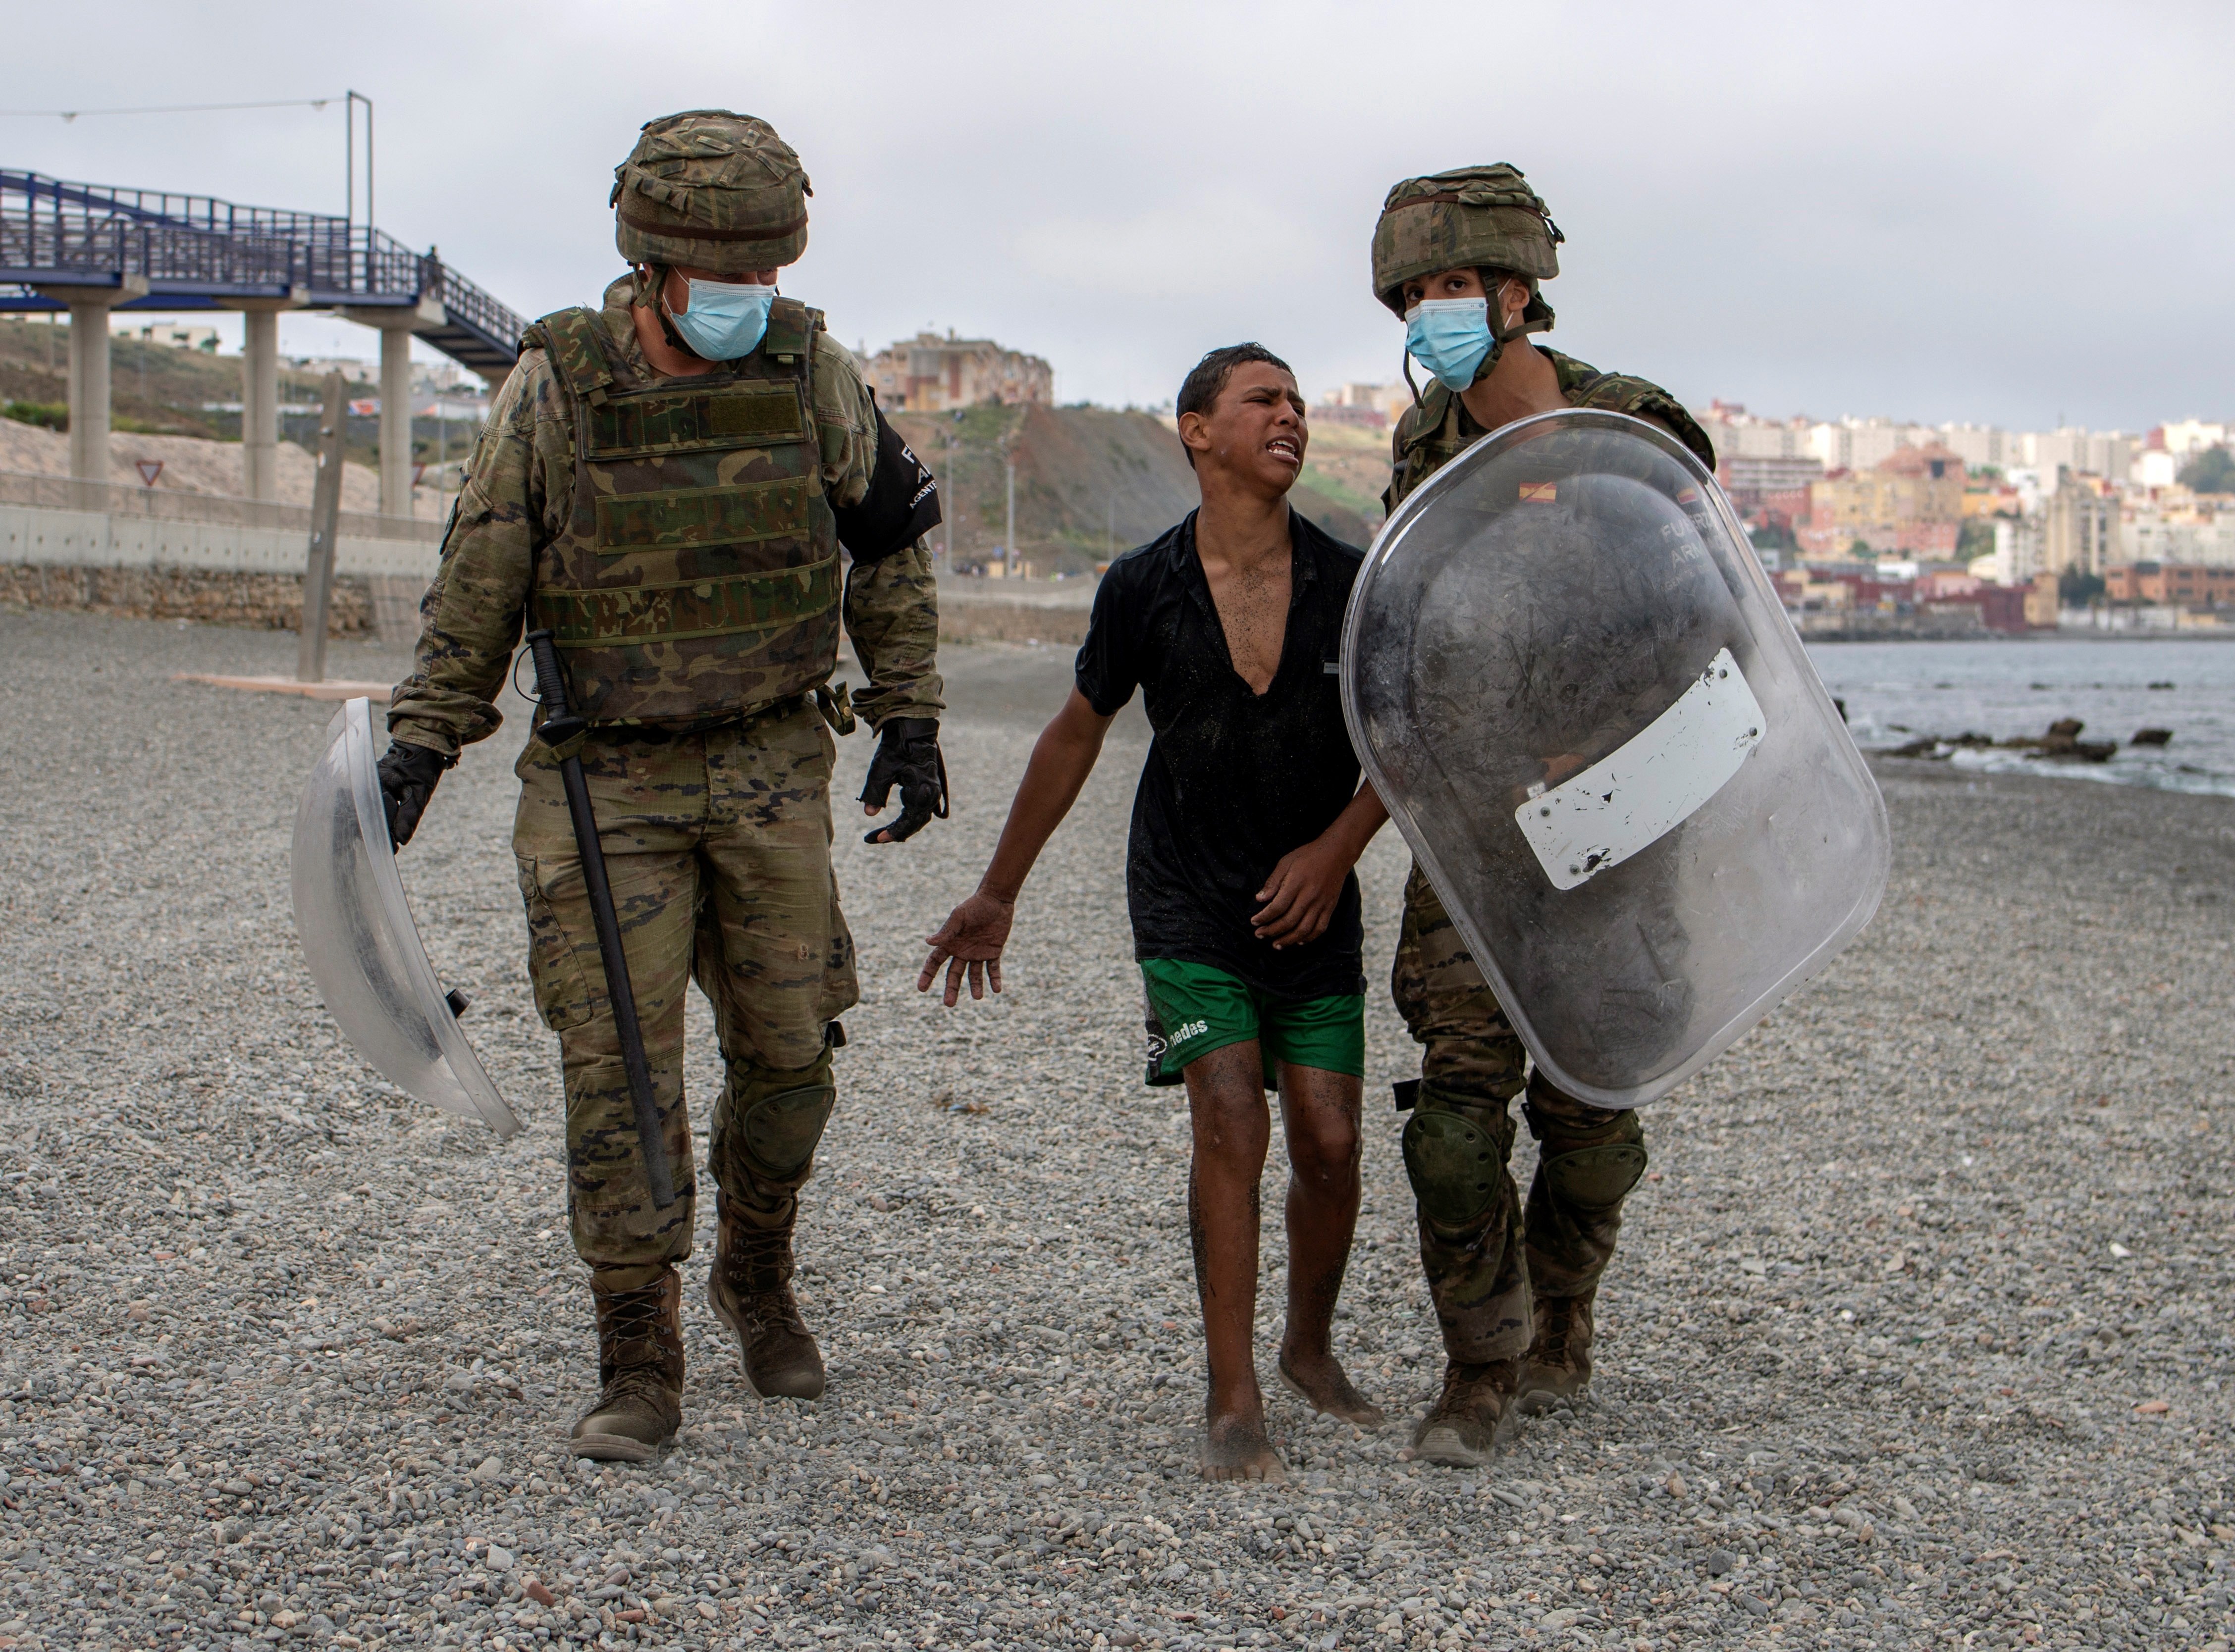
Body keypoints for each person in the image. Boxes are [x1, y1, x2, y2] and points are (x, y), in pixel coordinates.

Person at [374, 110, 949, 1462]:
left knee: (795, 1061)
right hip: (606, 782)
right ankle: (639, 1350)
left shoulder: (812, 366)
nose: (750, 298)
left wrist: (911, 718)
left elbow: (890, 549)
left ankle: (757, 1268)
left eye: (767, 272)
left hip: (769, 763)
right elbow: (482, 579)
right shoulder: (560, 383)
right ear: (653, 264)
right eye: (721, 275)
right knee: (621, 1074)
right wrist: (419, 749)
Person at [917, 345, 1387, 1482]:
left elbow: (1401, 734)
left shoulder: (1350, 579)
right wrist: (998, 888)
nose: (1290, 418)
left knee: (1329, 1144)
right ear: (1196, 429)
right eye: (1261, 401)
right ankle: (1234, 1402)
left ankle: (1307, 1351)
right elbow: (1076, 732)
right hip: (1183, 893)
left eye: (1297, 404)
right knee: (1231, 1117)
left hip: (1313, 898)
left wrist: (1334, 853)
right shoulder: (1141, 585)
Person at [1368, 163, 1717, 1466]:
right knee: (1455, 1121)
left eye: (1449, 288)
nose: (1426, 316)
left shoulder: (1634, 432)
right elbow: (1405, 640)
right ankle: (1481, 1364)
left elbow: (1708, 620)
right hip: (1469, 831)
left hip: (1616, 821)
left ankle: (1566, 1308)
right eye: (1410, 295)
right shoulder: (1423, 454)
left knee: (1591, 1112)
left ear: (1518, 293)